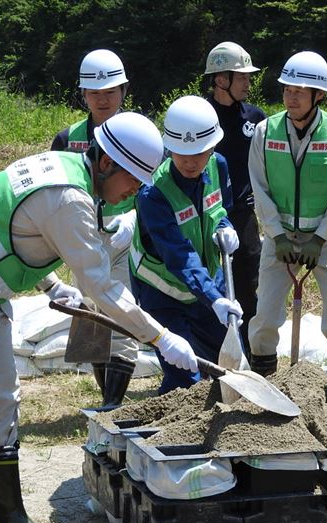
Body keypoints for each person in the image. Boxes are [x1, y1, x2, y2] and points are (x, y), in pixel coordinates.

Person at [0, 112, 198, 523]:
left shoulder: (67, 170)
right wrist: (160, 338)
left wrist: (49, 282)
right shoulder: (70, 197)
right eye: (132, 180)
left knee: (3, 397)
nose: (134, 191)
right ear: (106, 164)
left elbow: (8, 221)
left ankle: (7, 519)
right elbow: (101, 286)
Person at [248, 51, 327, 375]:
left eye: (299, 91)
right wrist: (277, 234)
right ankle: (263, 383)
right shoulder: (265, 132)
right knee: (265, 317)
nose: (291, 97)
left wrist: (320, 237)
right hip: (278, 237)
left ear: (319, 94)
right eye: (286, 89)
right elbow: (260, 188)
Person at [129, 95, 242, 394]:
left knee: (229, 366)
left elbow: (220, 210)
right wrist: (214, 298)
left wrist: (225, 227)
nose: (190, 161)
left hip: (205, 286)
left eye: (199, 152)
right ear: (169, 148)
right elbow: (178, 256)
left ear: (213, 146)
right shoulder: (153, 193)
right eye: (181, 153)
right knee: (185, 377)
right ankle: (173, 434)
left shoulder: (219, 166)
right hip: (162, 292)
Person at [51, 49, 139, 409]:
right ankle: (106, 396)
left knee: (123, 311)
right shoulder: (67, 138)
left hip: (126, 238)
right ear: (83, 95)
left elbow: (154, 185)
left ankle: (114, 403)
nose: (103, 99)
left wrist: (133, 220)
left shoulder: (139, 134)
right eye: (95, 93)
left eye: (111, 92)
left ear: (123, 92)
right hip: (83, 237)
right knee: (93, 317)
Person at [204, 42, 266, 355]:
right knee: (211, 286)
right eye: (240, 76)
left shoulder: (256, 118)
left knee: (249, 286)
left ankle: (253, 357)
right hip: (205, 217)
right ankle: (215, 353)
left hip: (244, 217)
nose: (247, 82)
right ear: (220, 79)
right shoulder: (200, 116)